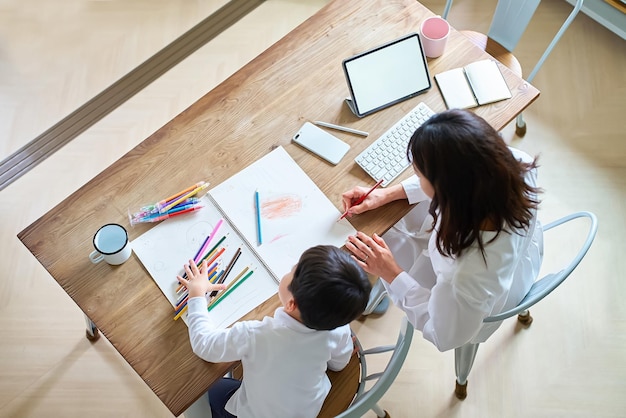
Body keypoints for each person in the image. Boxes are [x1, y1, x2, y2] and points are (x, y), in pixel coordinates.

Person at [341, 109, 543, 353]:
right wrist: (389, 193)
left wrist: (391, 273)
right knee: (399, 228)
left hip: (475, 310)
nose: (416, 177)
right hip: (519, 255)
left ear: (448, 189)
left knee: (394, 237)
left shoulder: (465, 273)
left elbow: (443, 334)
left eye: (418, 174)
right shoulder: (514, 163)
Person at [177, 245, 371, 418]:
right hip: (307, 410)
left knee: (201, 394)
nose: (288, 271)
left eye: (292, 271)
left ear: (291, 304)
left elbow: (204, 345)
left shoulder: (257, 334)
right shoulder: (338, 328)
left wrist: (196, 295)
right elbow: (339, 364)